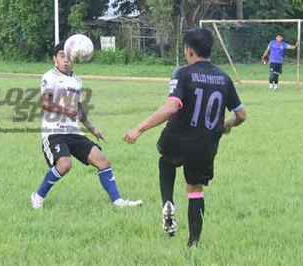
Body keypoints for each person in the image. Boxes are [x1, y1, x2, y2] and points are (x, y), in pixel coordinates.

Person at [123, 28, 247, 247]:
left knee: (166, 158)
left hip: (178, 137)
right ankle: (194, 244)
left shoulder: (183, 73)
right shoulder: (224, 78)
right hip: (206, 144)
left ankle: (168, 202)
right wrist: (227, 124)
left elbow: (172, 107)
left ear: (189, 50)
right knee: (195, 189)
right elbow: (241, 115)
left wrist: (139, 128)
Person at [31, 41, 143, 209]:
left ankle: (118, 201)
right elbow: (45, 104)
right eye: (62, 56)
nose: (66, 60)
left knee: (103, 161)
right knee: (64, 165)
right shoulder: (49, 77)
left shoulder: (77, 81)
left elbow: (78, 107)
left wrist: (92, 128)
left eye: (69, 57)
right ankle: (38, 196)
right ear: (55, 58)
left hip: (74, 132)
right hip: (53, 132)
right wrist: (65, 111)